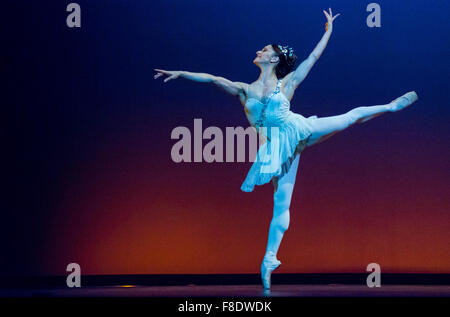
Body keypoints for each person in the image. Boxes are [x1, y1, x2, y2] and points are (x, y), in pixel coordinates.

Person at [154, 8, 418, 291]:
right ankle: (269, 259)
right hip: (276, 148)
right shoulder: (245, 89)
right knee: (281, 203)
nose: (258, 50)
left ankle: (390, 106)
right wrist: (181, 73)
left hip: (298, 130)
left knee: (347, 119)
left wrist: (328, 31)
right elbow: (213, 79)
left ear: (274, 58)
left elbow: (312, 59)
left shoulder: (287, 82)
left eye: (264, 49)